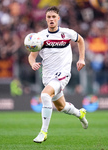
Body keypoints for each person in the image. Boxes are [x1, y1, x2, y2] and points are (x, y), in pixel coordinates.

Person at [28, 6, 88, 143]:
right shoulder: (40, 37)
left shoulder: (67, 33)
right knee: (61, 107)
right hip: (48, 76)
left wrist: (81, 58)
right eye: (49, 17)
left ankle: (43, 132)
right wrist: (32, 63)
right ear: (46, 19)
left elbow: (81, 40)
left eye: (53, 17)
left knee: (44, 95)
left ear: (58, 18)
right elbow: (32, 56)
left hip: (62, 74)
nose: (51, 19)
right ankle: (80, 113)